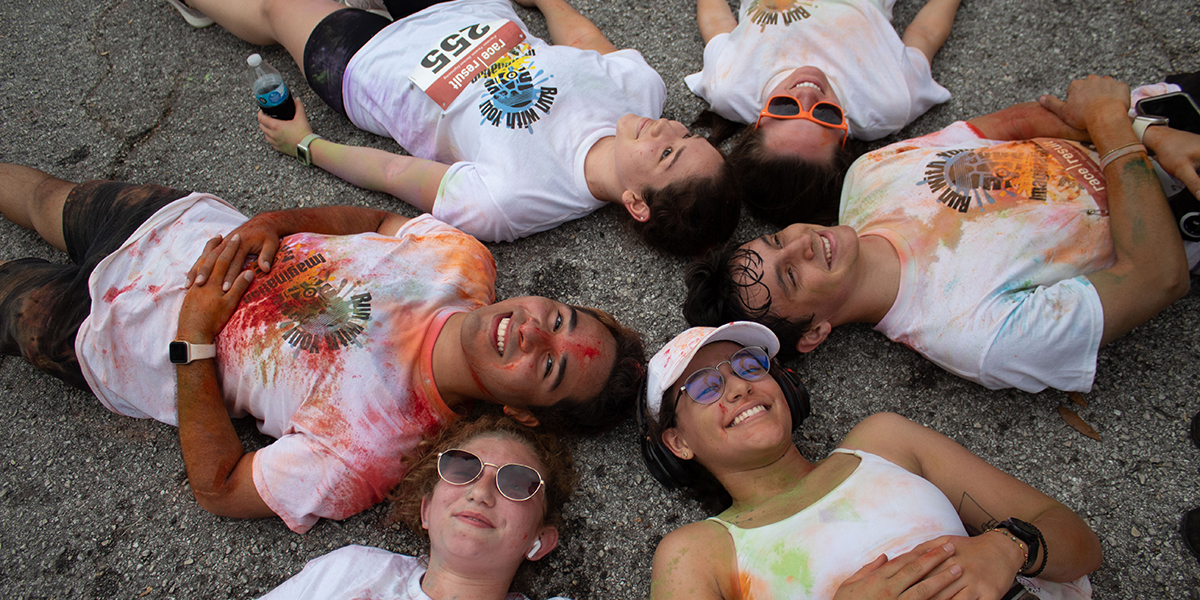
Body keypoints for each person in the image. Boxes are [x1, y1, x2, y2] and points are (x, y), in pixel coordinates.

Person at [0, 163, 645, 533]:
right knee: (42, 196)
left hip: (111, 335)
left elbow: (221, 488)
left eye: (551, 365)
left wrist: (193, 336)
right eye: (558, 316)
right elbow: (371, 222)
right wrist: (271, 224)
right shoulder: (463, 260)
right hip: (176, 226)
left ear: (525, 415)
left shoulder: (371, 451)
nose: (533, 330)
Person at [682, 74, 1200, 393]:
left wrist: (1149, 133)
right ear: (815, 332)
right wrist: (1113, 127)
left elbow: (1019, 123)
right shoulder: (978, 336)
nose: (801, 243)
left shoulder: (869, 175)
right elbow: (1157, 276)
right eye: (792, 276)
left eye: (776, 241)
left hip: (1163, 107)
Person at [174, 0, 738, 256]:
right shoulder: (642, 93)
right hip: (468, 9)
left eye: (669, 156)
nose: (669, 132)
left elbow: (397, 171)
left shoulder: (511, 201)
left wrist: (307, 145)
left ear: (637, 204)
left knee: (278, 8)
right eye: (687, 136)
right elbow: (587, 46)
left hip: (375, 65)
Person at [641, 322, 1103, 599]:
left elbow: (1080, 543)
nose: (739, 386)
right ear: (679, 442)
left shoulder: (885, 442)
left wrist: (1008, 547)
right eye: (704, 387)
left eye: (747, 365)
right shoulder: (695, 553)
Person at [685, 0, 962, 226]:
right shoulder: (890, 99)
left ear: (756, 123)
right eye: (826, 115)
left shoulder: (731, 84)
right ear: (844, 139)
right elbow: (924, 32)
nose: (807, 95)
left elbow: (718, 23)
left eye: (785, 108)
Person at [257, 414, 575, 599]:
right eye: (463, 469)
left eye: (517, 483)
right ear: (426, 510)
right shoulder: (352, 569)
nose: (480, 492)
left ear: (540, 540)